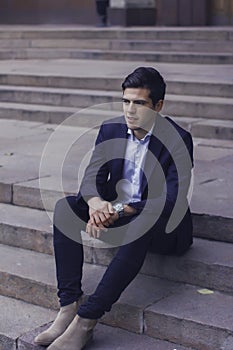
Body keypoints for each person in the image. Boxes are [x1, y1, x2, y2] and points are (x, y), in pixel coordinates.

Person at [34, 67, 194, 350]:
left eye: (139, 103)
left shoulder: (178, 139)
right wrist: (96, 202)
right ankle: (68, 306)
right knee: (65, 208)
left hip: (163, 228)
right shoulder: (111, 130)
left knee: (143, 218)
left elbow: (172, 200)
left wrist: (121, 210)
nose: (130, 110)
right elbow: (92, 176)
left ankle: (86, 321)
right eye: (126, 101)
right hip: (118, 214)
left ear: (158, 106)